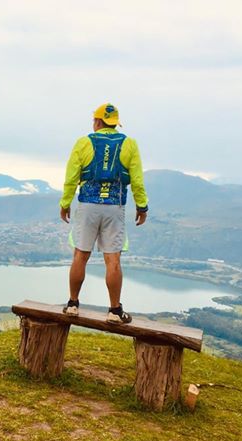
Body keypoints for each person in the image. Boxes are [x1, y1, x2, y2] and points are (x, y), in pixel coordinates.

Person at [59, 103, 148, 324]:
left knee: (81, 255)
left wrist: (65, 202)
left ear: (98, 122)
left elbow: (72, 177)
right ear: (115, 123)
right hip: (114, 206)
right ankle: (115, 311)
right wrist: (142, 206)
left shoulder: (84, 142)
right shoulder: (129, 144)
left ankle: (72, 304)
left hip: (88, 205)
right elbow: (136, 179)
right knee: (113, 260)